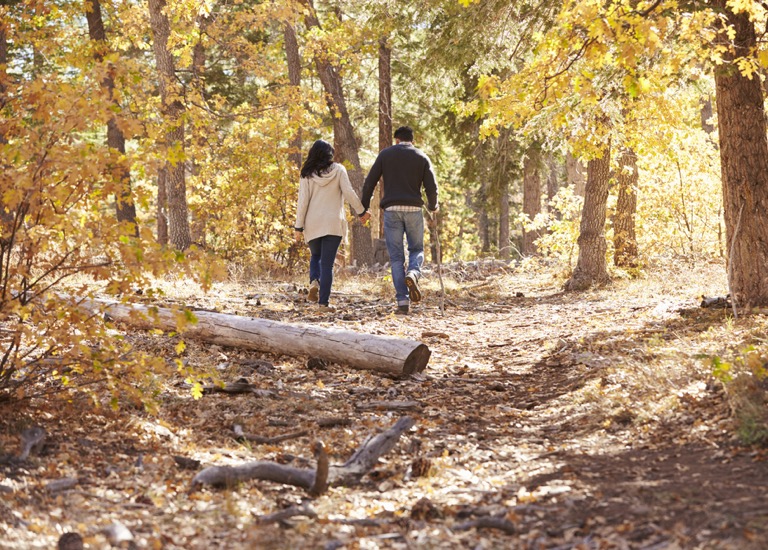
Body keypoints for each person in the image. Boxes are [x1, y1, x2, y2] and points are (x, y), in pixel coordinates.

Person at [361, 126, 438, 315]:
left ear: (396, 140)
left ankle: (402, 302)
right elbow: (431, 186)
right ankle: (413, 273)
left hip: (392, 210)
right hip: (413, 210)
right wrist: (433, 206)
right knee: (417, 249)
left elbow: (370, 182)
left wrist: (364, 207)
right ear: (412, 140)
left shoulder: (386, 155)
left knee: (396, 257)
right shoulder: (421, 156)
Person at [294, 140, 370, 310]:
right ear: (330, 154)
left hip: (312, 222)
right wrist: (361, 212)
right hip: (333, 222)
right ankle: (323, 304)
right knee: (327, 264)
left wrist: (298, 227)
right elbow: (349, 193)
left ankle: (314, 280)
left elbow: (303, 202)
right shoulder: (339, 170)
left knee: (316, 256)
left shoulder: (306, 173)